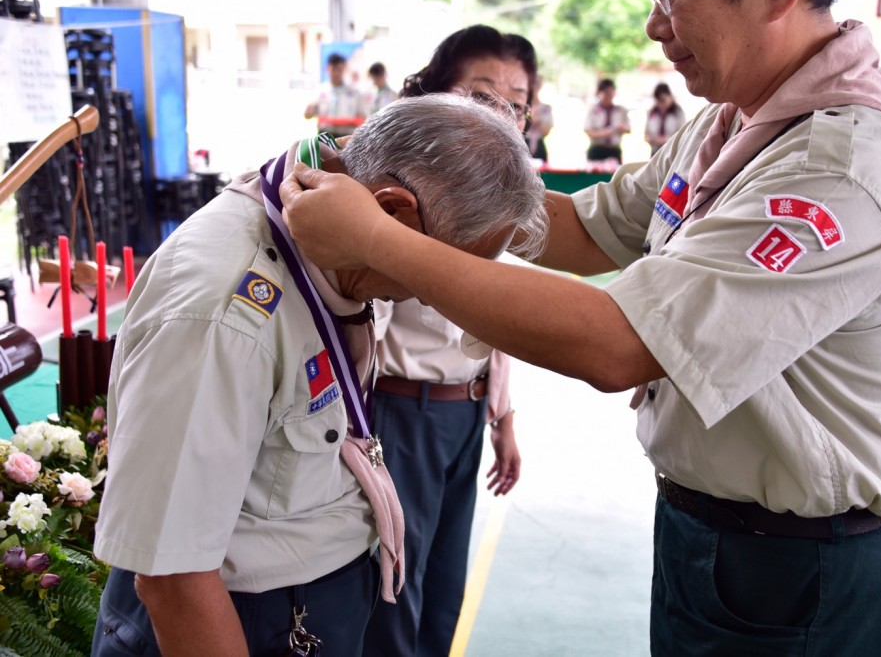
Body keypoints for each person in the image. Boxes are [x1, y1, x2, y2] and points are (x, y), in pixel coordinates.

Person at [281, 0, 881, 655]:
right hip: (709, 533)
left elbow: (619, 343)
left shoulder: (843, 166)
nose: (656, 27)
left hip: (806, 570)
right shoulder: (728, 125)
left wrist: (376, 238)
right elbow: (582, 229)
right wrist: (420, 179)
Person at [90, 93, 547, 656]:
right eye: (452, 263)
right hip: (239, 622)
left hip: (298, 608)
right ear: (393, 211)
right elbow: (173, 578)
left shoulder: (330, 236)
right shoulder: (226, 317)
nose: (450, 289)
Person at [361, 24, 537, 657]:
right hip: (400, 411)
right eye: (483, 96)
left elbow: (490, 310)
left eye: (516, 104)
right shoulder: (400, 187)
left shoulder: (496, 192)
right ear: (436, 94)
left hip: (463, 413)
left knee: (443, 592)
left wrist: (501, 413)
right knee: (395, 588)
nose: (504, 115)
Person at [304, 52, 368, 137]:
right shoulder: (320, 91)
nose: (336, 73)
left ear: (344, 69)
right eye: (333, 69)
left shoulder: (354, 93)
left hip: (347, 136)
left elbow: (364, 117)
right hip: (324, 135)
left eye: (339, 69)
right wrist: (309, 111)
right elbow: (308, 115)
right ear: (327, 69)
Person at [583, 77, 630, 164]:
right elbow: (588, 131)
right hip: (596, 149)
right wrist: (608, 132)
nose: (608, 95)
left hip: (614, 150)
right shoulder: (593, 110)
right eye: (605, 92)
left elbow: (629, 129)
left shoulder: (621, 110)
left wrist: (621, 128)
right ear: (599, 93)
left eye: (610, 92)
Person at [644, 82, 686, 155]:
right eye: (658, 101)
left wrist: (667, 140)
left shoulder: (678, 113)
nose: (660, 104)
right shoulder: (652, 112)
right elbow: (646, 134)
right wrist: (652, 139)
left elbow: (683, 134)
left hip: (673, 152)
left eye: (663, 100)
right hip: (655, 151)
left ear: (670, 97)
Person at [527, 76, 554, 163]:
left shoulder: (546, 108)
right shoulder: (521, 107)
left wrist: (537, 121)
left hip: (539, 147)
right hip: (522, 144)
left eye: (537, 84)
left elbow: (546, 132)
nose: (534, 87)